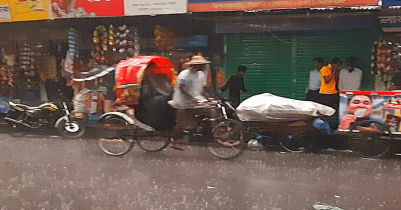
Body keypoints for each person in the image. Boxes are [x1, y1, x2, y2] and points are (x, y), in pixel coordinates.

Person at [169, 54, 210, 150]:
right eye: (200, 64)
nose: (203, 66)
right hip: (182, 102)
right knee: (181, 123)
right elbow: (182, 88)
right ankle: (175, 141)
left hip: (195, 101)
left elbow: (201, 88)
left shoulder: (201, 74)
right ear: (194, 65)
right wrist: (191, 98)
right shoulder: (185, 74)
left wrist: (207, 97)